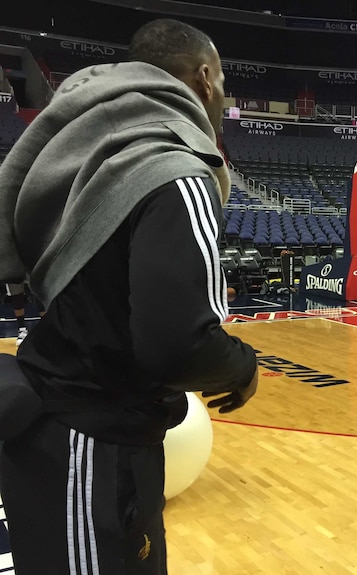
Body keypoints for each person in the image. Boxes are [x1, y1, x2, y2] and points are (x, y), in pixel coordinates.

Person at [0, 19, 259, 574]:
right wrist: (241, 367)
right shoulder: (174, 167)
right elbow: (177, 344)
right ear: (206, 77)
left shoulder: (86, 142)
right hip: (93, 437)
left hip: (56, 424)